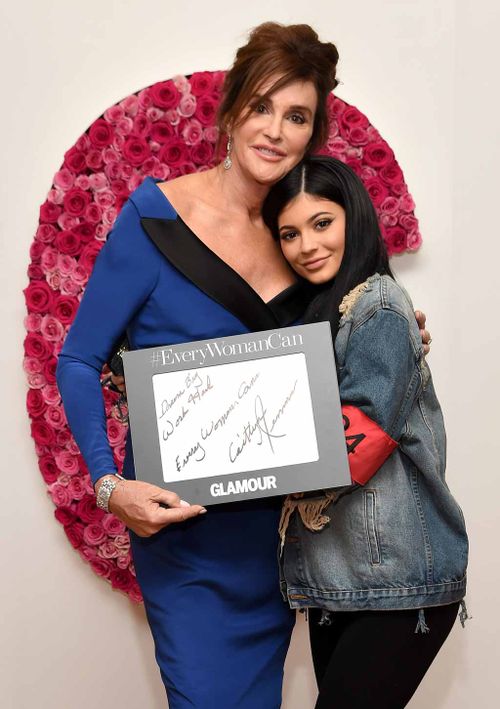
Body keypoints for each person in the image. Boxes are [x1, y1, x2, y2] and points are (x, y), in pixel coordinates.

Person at [57, 22, 431, 709]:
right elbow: (79, 359)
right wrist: (111, 487)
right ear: (230, 111)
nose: (275, 130)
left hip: (282, 539)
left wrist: (393, 334)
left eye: (297, 117)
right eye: (261, 106)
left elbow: (326, 359)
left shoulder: (302, 236)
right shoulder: (154, 218)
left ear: (311, 135)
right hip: (187, 541)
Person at [262, 155, 468, 709]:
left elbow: (359, 441)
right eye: (289, 233)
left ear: (354, 217)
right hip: (340, 581)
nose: (306, 245)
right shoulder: (312, 318)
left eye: (322, 223)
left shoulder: (376, 303)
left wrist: (249, 467)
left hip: (396, 582)